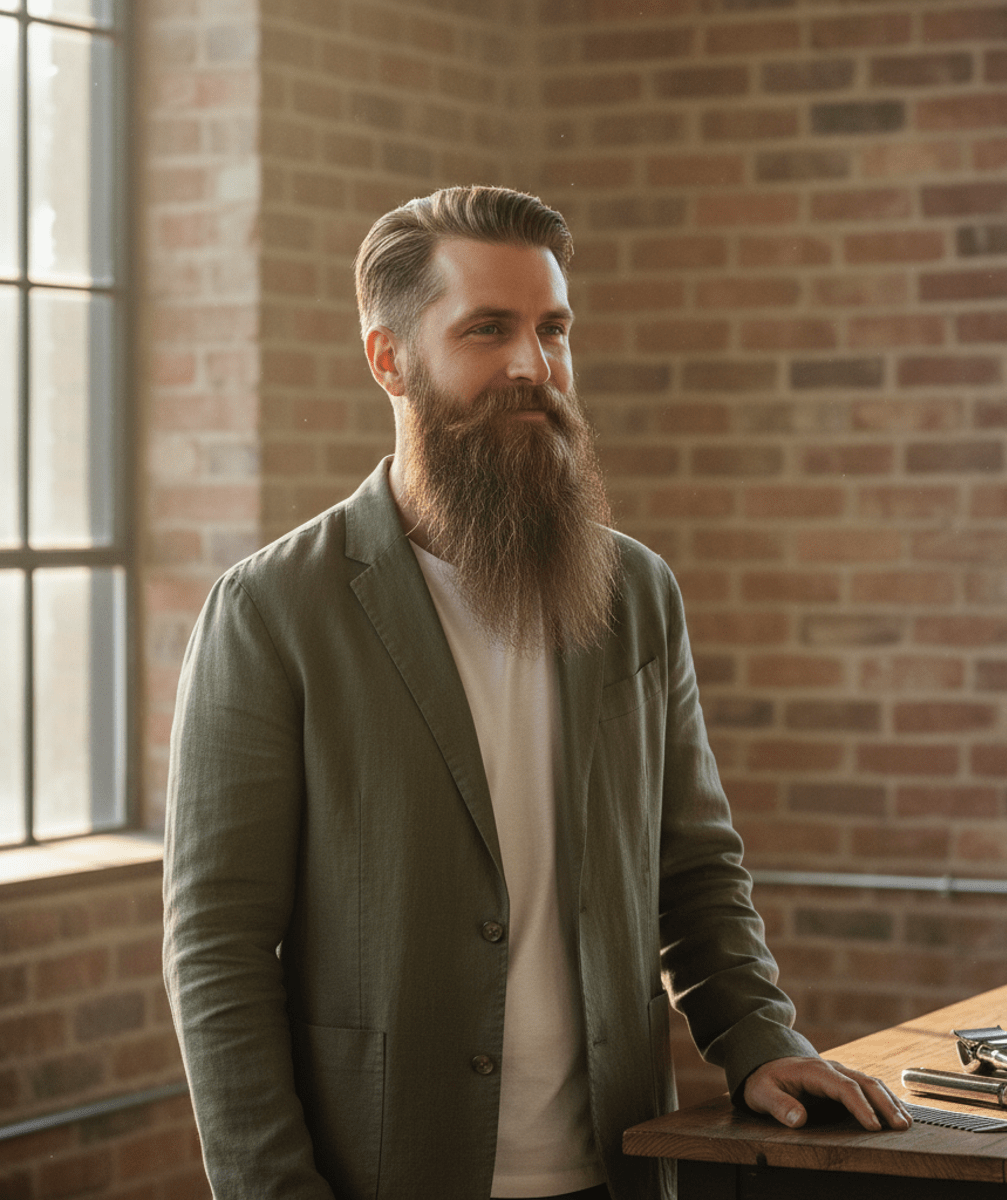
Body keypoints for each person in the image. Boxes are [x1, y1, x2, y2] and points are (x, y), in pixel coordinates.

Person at [162, 185, 910, 1200]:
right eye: (488, 330)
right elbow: (217, 951)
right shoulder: (270, 612)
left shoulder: (637, 594)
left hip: (615, 1165)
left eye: (553, 329)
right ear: (390, 359)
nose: (533, 365)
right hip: (381, 1172)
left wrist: (758, 1036)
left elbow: (693, 869)